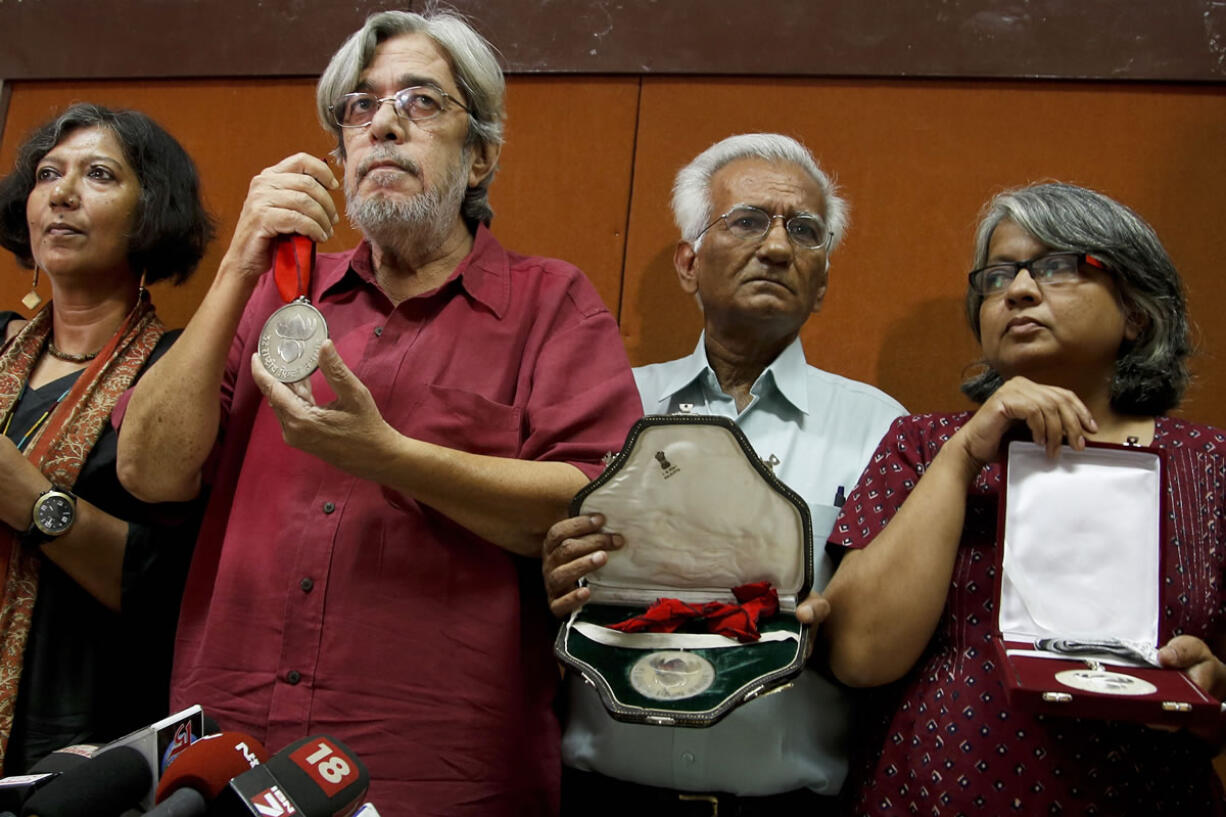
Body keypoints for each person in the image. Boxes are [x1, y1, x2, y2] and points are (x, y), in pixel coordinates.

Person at [115, 9, 642, 815]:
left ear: (480, 157)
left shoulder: (551, 301)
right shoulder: (275, 292)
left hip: (436, 768)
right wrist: (235, 269)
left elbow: (591, 508)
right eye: (360, 108)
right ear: (339, 154)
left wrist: (386, 455)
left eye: (422, 103)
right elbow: (148, 472)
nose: (384, 123)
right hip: (232, 748)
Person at [822, 182, 1226, 814]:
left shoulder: (1209, 466)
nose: (1018, 291)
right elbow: (857, 655)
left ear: (1138, 312)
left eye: (1059, 267)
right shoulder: (924, 443)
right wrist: (965, 454)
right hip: (927, 796)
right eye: (998, 276)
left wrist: (1212, 695)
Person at [542, 133, 906, 816]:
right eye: (746, 221)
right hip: (600, 799)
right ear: (688, 263)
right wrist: (550, 579)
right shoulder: (608, 403)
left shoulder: (881, 429)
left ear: (822, 279)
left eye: (804, 231)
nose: (776, 247)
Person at [0, 103, 212, 772]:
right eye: (46, 173)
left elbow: (168, 589)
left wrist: (33, 501)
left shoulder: (175, 375)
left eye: (97, 174)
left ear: (151, 214)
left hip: (81, 739)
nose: (60, 194)